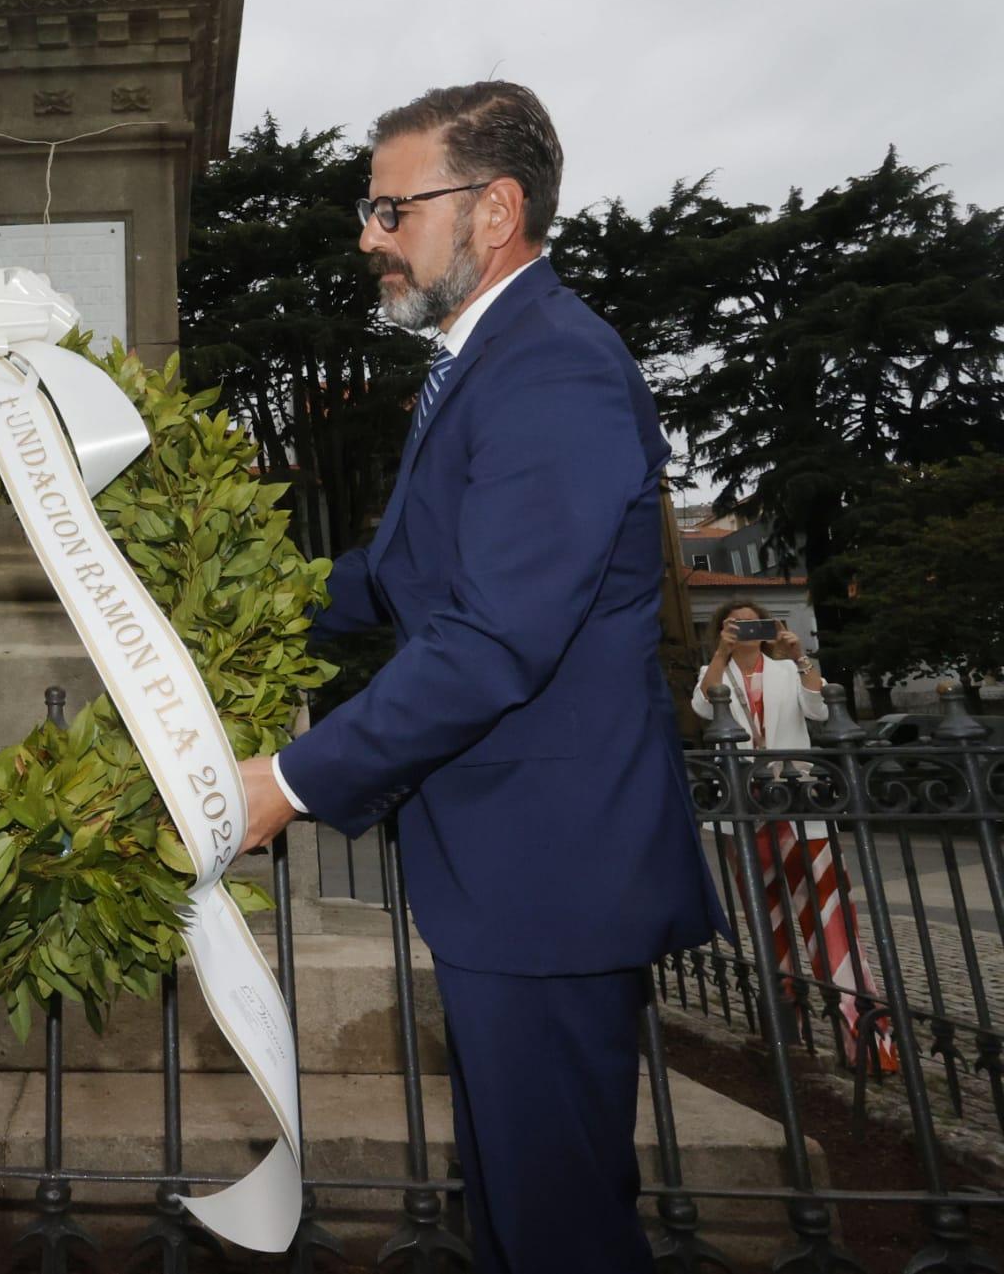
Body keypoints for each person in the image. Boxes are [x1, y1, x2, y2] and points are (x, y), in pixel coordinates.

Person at [235, 81, 726, 1272]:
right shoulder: (482, 359)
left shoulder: (550, 367)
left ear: (493, 209)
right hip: (519, 873)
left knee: (555, 1227)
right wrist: (229, 597)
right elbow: (398, 577)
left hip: (549, 876)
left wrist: (291, 780)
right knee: (514, 1205)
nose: (368, 234)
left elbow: (492, 637)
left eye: (390, 207)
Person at [692, 603, 895, 1071]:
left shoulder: (787, 670)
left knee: (831, 916)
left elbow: (820, 708)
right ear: (723, 629)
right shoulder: (712, 669)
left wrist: (800, 656)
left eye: (755, 620)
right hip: (745, 809)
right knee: (768, 924)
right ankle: (788, 1035)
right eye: (735, 621)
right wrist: (720, 654)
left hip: (799, 801)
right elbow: (705, 706)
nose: (747, 627)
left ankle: (866, 1039)